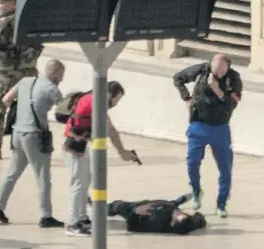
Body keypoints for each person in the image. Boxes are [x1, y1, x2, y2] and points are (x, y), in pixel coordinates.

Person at [0, 59, 65, 228]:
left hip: (17, 133)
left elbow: (6, 100)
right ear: (55, 74)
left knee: (12, 174)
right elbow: (64, 112)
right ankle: (46, 216)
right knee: (43, 177)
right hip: (35, 136)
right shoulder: (53, 90)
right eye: (61, 75)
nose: (62, 79)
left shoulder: (25, 81)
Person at [62, 81, 137, 236]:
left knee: (85, 181)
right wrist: (122, 151)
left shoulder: (93, 98)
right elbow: (110, 129)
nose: (116, 103)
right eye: (117, 99)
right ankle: (73, 223)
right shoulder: (96, 101)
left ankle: (81, 217)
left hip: (80, 146)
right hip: (73, 147)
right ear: (109, 95)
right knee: (78, 184)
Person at [173, 54, 243, 218]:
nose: (217, 74)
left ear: (227, 67)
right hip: (199, 124)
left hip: (220, 127)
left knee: (225, 168)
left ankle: (221, 204)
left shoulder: (234, 78)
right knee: (192, 162)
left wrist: (216, 88)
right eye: (215, 70)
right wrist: (186, 98)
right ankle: (197, 191)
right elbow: (178, 78)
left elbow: (231, 105)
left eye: (221, 72)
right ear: (211, 65)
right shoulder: (202, 70)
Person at [0, 0, 44, 160]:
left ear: (13, 4)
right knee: (27, 111)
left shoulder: (5, 23)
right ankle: (29, 147)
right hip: (29, 73)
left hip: (7, 75)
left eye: (1, 3)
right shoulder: (32, 20)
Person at [103, 193, 207, 234]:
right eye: (183, 214)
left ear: (173, 222)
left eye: (179, 216)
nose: (179, 212)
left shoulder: (158, 223)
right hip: (157, 204)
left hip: (135, 209)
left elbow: (132, 227)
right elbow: (174, 204)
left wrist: (135, 212)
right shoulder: (185, 220)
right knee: (173, 203)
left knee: (117, 205)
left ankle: (99, 209)